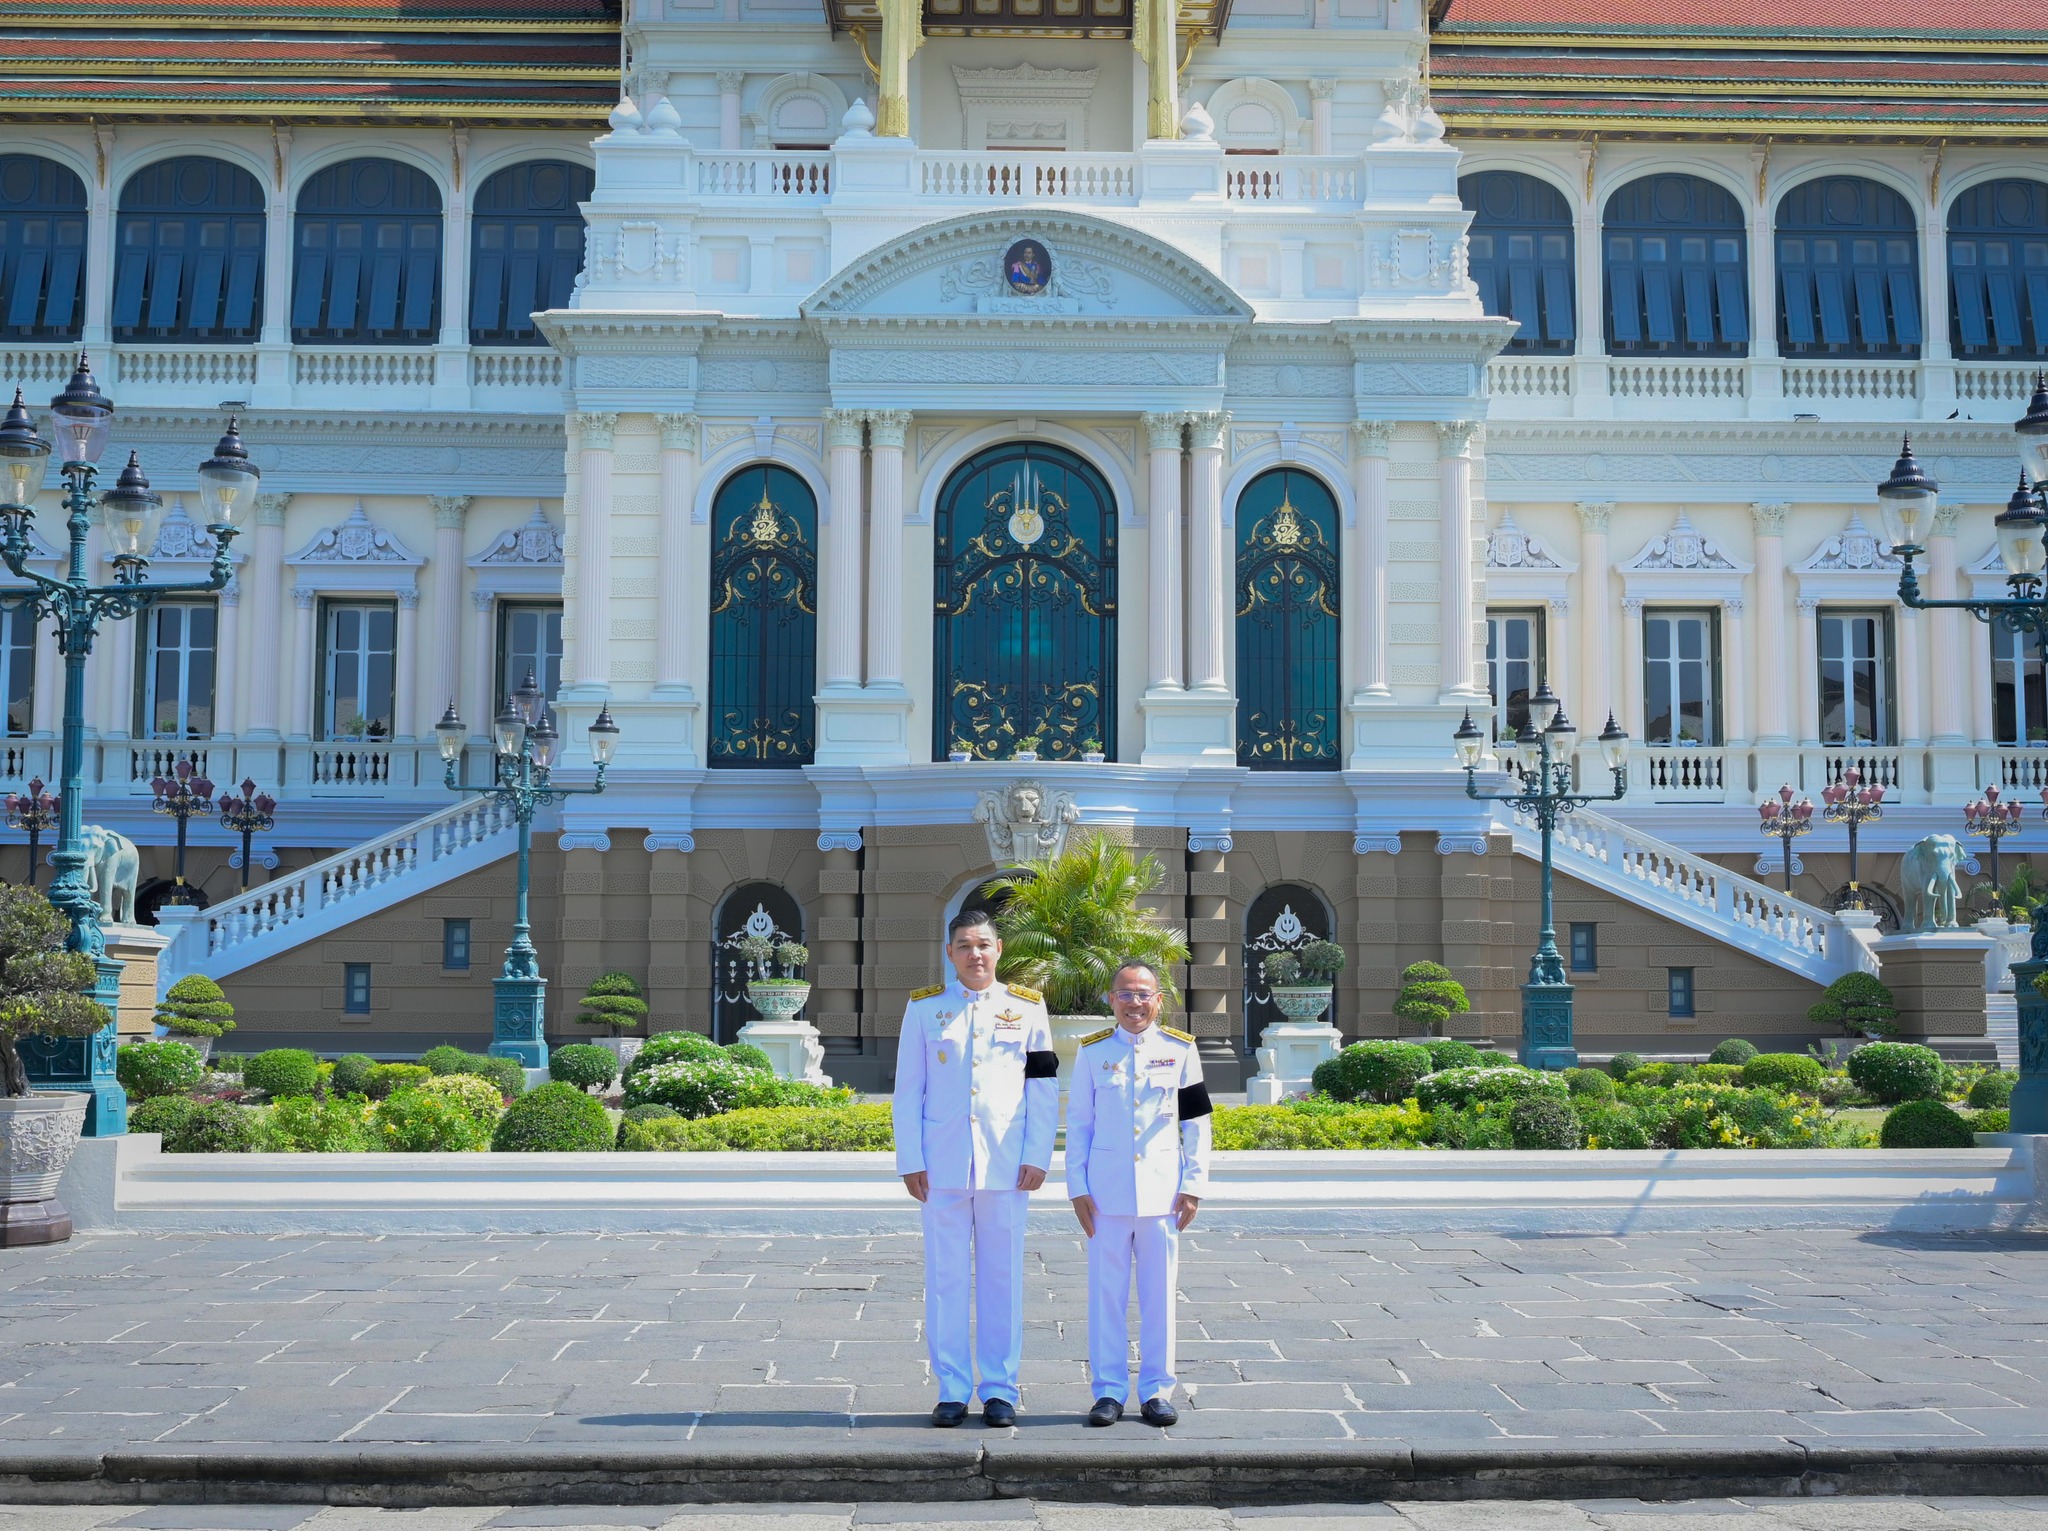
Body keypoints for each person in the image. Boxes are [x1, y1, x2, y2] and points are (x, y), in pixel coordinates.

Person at [891, 908, 1059, 1428]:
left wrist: (1038, 1154)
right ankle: (952, 1388)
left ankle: (1001, 1388)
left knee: (1001, 1277)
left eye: (983, 944)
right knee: (944, 1279)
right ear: (950, 954)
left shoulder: (1029, 1009)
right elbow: (907, 1090)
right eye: (964, 945)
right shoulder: (924, 1011)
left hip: (1006, 1165)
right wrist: (910, 1159)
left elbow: (1044, 1086)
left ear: (999, 949)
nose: (975, 954)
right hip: (941, 1164)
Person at [1065, 958, 1211, 1427]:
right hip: (1106, 1196)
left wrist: (1192, 1186)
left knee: (1158, 1297)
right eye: (1125, 994)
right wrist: (1077, 1188)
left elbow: (1197, 1124)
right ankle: (1108, 1391)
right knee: (1105, 1296)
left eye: (1143, 994)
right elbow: (1079, 1125)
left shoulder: (1181, 1050)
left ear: (1158, 1001)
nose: (1134, 1003)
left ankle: (1156, 1390)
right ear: (1111, 999)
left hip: (1162, 1194)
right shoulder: (1092, 1053)